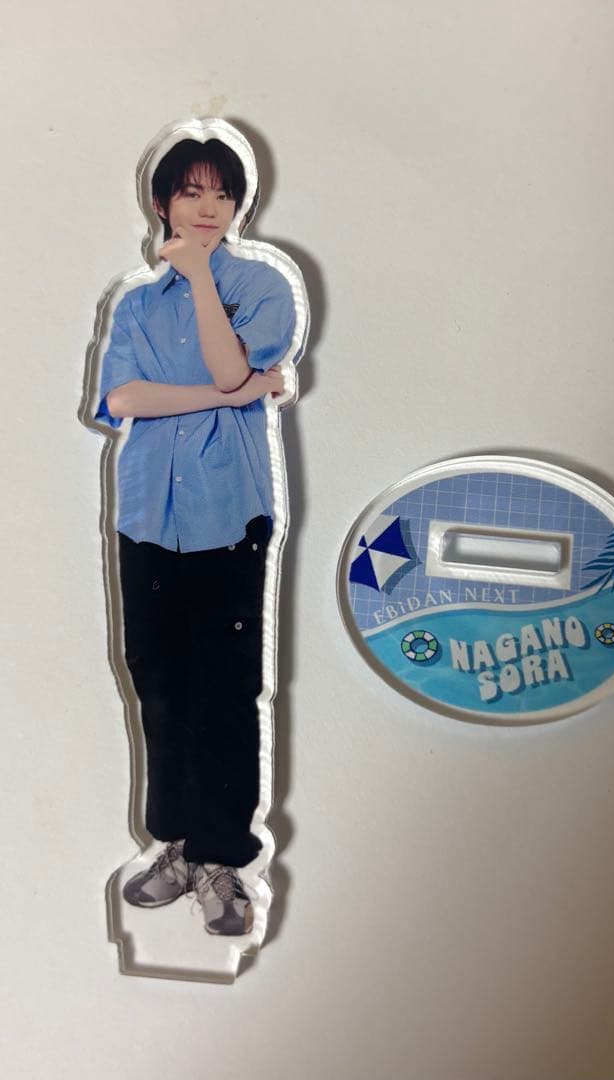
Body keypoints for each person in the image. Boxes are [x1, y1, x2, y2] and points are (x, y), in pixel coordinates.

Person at [93, 130, 302, 936]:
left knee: (225, 689)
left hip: (227, 515)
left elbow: (226, 365)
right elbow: (124, 401)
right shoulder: (137, 305)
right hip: (148, 512)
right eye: (192, 192)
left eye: (222, 193)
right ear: (163, 203)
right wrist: (236, 394)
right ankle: (175, 842)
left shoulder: (260, 286)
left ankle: (223, 858)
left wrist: (203, 281)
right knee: (158, 680)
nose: (209, 207)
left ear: (240, 205)